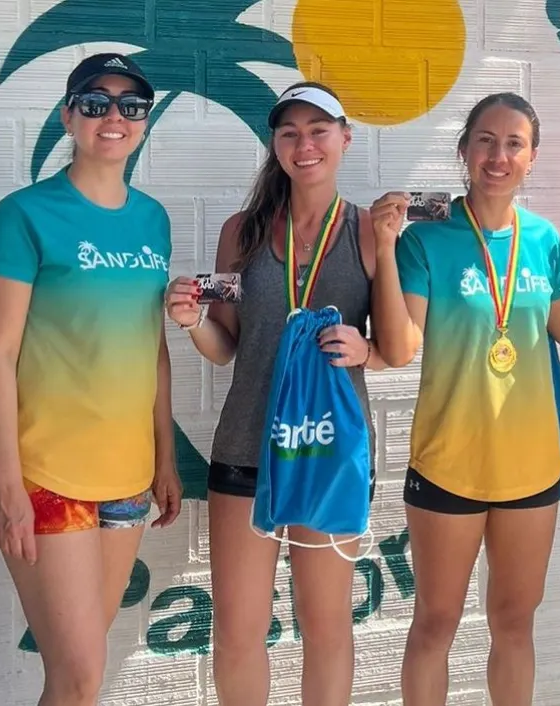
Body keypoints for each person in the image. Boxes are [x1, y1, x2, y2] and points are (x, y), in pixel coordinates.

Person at [367, 92, 560, 706]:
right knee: (435, 624)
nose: (498, 156)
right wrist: (386, 250)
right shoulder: (426, 239)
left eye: (513, 144)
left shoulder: (543, 239)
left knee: (514, 622)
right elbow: (401, 346)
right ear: (464, 150)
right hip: (449, 462)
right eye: (485, 141)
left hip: (532, 466)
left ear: (532, 157)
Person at [163, 81, 402, 706]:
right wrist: (192, 321)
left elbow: (398, 346)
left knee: (326, 629)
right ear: (275, 144)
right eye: (290, 133)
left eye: (319, 130)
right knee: (237, 634)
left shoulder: (370, 231)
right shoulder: (241, 232)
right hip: (246, 448)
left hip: (330, 453)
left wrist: (365, 349)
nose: (305, 144)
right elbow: (226, 345)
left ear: (345, 138)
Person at [0, 53, 183, 706]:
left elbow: (152, 348)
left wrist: (165, 458)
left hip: (127, 480)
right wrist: (5, 482)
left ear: (144, 122)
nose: (113, 116)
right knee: (79, 676)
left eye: (131, 105)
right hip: (47, 476)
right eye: (95, 103)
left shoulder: (153, 219)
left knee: (80, 676)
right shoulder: (24, 215)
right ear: (69, 117)